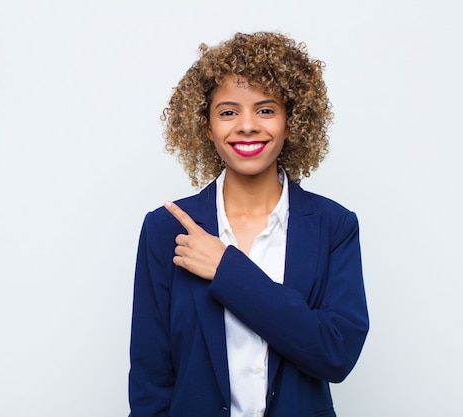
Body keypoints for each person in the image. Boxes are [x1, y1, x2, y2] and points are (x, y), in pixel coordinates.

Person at [128, 32, 369, 417]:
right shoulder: (165, 229)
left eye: (266, 110)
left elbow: (335, 353)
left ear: (292, 123)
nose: (246, 126)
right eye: (227, 112)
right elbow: (150, 376)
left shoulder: (333, 226)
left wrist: (227, 269)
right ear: (206, 126)